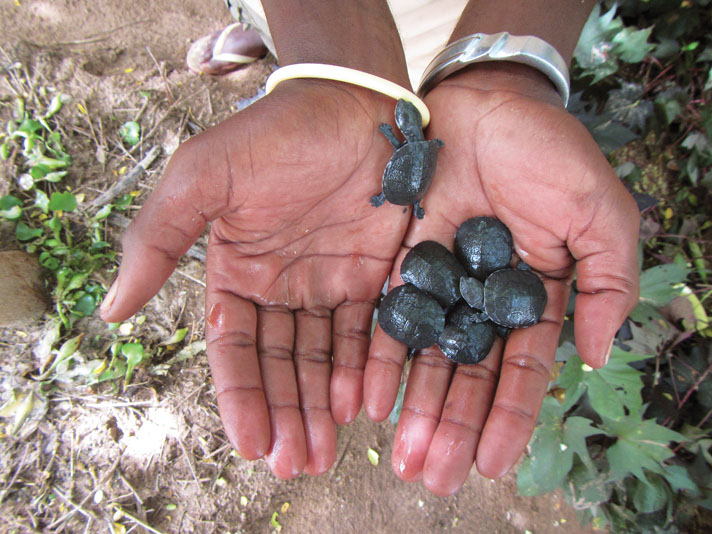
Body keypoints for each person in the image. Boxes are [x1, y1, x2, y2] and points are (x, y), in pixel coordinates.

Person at [100, 0, 640, 497]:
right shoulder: (415, 175)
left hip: (454, 31)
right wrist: (334, 60)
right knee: (280, 21)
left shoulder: (429, 195)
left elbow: (416, 154)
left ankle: (285, 45)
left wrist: (505, 74)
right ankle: (265, 30)